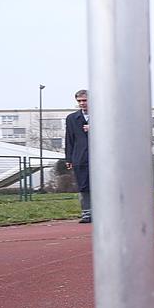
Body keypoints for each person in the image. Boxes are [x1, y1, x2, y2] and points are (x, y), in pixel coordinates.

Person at [64, 89, 91, 223]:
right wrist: (69, 158)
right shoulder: (72, 119)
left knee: (103, 185)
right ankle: (86, 213)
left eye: (84, 100)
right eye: (79, 101)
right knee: (84, 185)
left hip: (102, 158)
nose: (82, 103)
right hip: (80, 157)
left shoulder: (104, 116)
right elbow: (69, 139)